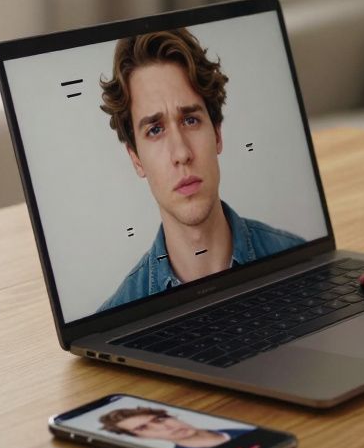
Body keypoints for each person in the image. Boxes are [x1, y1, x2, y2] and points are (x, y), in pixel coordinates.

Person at [97, 29, 304, 313]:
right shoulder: (118, 316)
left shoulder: (297, 261)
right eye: (155, 130)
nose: (181, 153)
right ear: (136, 159)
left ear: (217, 134)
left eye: (191, 120)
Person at [98, 406, 253, 448]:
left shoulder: (242, 430)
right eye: (143, 428)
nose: (166, 427)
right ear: (140, 437)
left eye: (159, 419)